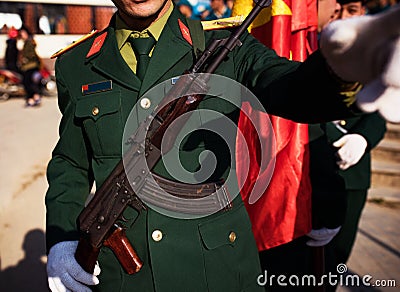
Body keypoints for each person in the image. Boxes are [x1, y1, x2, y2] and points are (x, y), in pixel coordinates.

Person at [44, 0, 400, 292]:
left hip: (215, 270)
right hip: (124, 278)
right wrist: (62, 238)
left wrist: (343, 67)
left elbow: (293, 88)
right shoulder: (78, 63)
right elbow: (71, 163)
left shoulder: (225, 45)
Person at [320, 1, 387, 289]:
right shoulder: (308, 45)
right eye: (339, 10)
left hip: (353, 173)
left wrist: (363, 138)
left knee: (338, 256)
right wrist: (333, 137)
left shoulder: (373, 55)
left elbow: (381, 108)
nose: (344, 17)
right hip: (313, 163)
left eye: (353, 10)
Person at [18, 27, 42, 107]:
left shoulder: (29, 42)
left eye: (23, 33)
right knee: (28, 83)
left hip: (30, 66)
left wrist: (26, 59)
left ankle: (35, 97)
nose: (22, 35)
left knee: (28, 83)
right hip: (28, 66)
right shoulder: (27, 42)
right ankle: (32, 98)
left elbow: (31, 54)